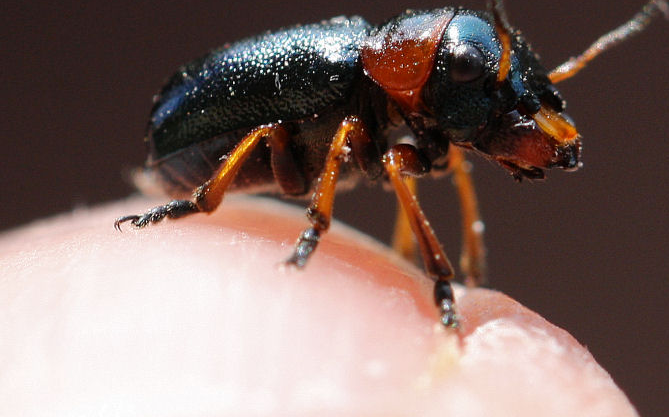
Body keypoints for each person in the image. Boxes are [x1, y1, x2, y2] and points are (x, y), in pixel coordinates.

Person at [0, 196, 637, 416]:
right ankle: (199, 205)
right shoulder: (362, 86)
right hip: (217, 142)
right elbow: (337, 151)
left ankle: (444, 269)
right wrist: (317, 226)